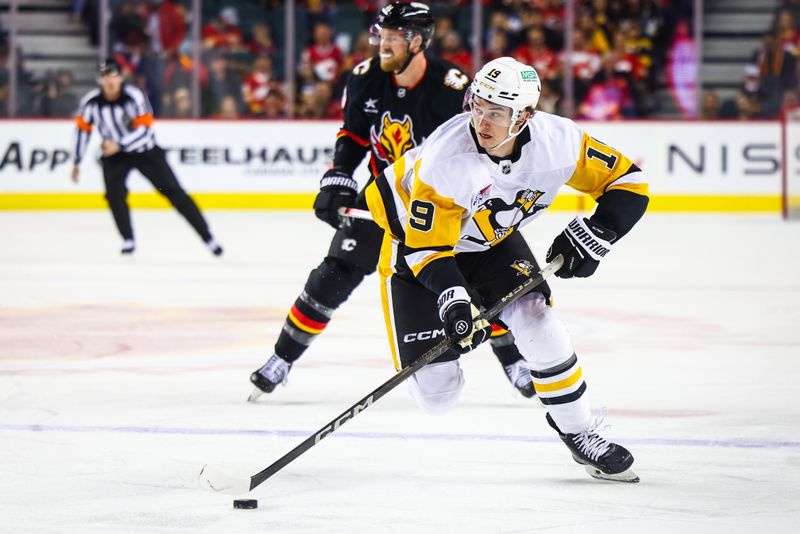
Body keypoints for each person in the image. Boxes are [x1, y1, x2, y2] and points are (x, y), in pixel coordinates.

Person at [364, 57, 648, 482]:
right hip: (416, 248)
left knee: (538, 318)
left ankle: (579, 431)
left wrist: (598, 234)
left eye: (496, 111)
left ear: (525, 116)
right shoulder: (447, 158)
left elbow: (629, 183)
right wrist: (455, 302)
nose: (482, 119)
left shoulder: (559, 141)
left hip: (491, 242)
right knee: (437, 395)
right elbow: (427, 250)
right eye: (477, 105)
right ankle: (482, 324)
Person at [249, 3, 534, 402]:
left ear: (417, 41)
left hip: (441, 201)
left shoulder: (451, 87)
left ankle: (514, 361)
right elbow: (353, 136)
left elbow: (480, 144)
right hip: (385, 195)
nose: (381, 45)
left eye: (391, 38)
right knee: (331, 276)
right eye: (380, 37)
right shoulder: (365, 78)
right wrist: (339, 178)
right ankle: (282, 358)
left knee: (470, 278)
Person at [70, 57, 223, 256]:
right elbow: (82, 131)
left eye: (113, 75)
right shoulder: (91, 103)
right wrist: (77, 160)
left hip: (145, 152)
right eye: (104, 76)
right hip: (115, 156)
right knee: (115, 196)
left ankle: (208, 236)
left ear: (121, 77)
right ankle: (127, 238)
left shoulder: (134, 96)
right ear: (99, 80)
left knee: (174, 192)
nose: (109, 81)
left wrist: (119, 144)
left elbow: (146, 131)